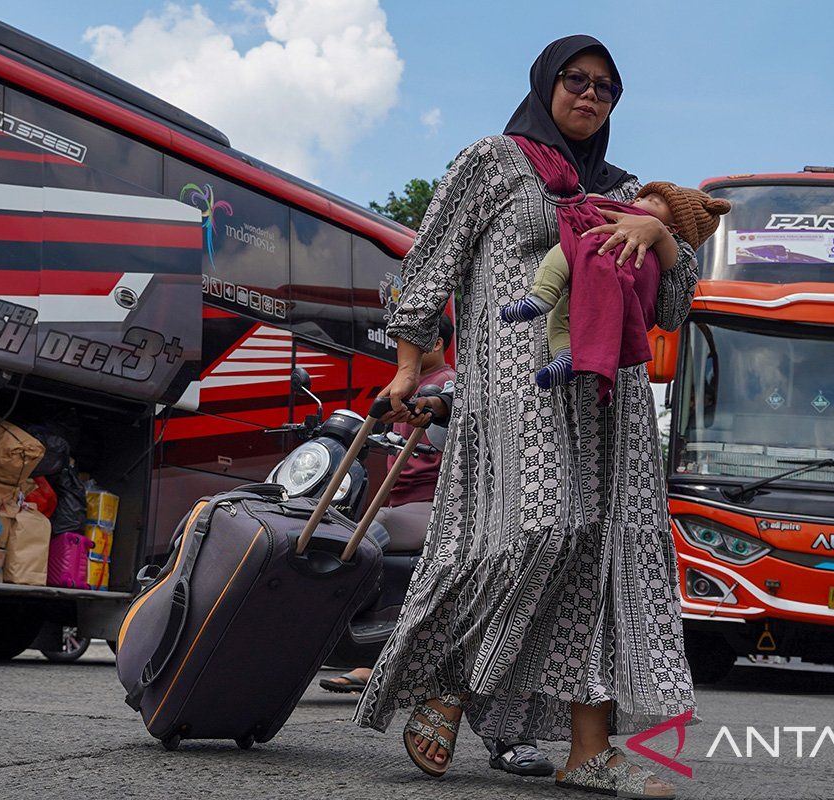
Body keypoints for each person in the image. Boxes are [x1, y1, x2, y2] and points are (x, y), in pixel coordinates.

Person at [354, 35, 698, 798]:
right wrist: (409, 365)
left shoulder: (631, 189)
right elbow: (431, 260)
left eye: (607, 88)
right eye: (576, 80)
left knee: (606, 558)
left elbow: (675, 305)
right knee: (542, 524)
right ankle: (447, 683)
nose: (590, 95)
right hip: (515, 385)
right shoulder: (493, 160)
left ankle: (589, 750)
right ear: (546, 84)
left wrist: (661, 235)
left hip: (610, 401)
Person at [320, 315, 556, 777]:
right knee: (485, 606)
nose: (399, 346)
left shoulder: (511, 360)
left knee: (518, 604)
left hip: (501, 507)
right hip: (470, 517)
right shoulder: (432, 386)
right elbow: (448, 414)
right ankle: (459, 704)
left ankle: (477, 714)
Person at [499, 182, 729, 391]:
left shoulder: (678, 252)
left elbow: (671, 318)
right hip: (586, 290)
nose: (637, 201)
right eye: (640, 199)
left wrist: (658, 232)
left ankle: (542, 294)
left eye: (654, 201)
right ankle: (565, 355)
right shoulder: (622, 208)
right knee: (560, 316)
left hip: (616, 292)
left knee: (567, 252)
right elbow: (592, 207)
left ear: (674, 228)